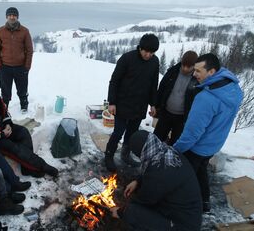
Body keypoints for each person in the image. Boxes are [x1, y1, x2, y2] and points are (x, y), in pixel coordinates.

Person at [172, 53, 243, 212]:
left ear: (211, 72)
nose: (194, 74)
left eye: (198, 71)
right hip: (214, 144)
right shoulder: (232, 88)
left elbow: (192, 133)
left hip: (198, 146)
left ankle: (184, 207)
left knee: (184, 176)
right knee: (201, 171)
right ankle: (205, 202)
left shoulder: (206, 98)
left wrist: (177, 149)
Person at [0, 68, 58, 177]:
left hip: (1, 128)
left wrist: (7, 123)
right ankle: (43, 166)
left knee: (23, 132)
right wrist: (0, 134)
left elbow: (3, 109)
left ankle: (27, 168)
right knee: (13, 147)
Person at [109, 130, 202, 231]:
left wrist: (120, 212)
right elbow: (153, 173)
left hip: (182, 226)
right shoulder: (167, 152)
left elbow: (144, 200)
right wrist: (138, 181)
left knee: (132, 212)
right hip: (187, 212)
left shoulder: (158, 172)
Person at [104, 33, 160, 172]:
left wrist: (153, 104)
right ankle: (109, 156)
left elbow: (154, 84)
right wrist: (112, 102)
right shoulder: (127, 58)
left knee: (132, 133)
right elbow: (114, 81)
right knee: (118, 132)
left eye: (151, 52)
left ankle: (125, 155)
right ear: (140, 48)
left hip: (140, 105)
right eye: (146, 51)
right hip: (123, 103)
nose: (148, 55)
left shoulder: (154, 61)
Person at [0, 7, 33, 112]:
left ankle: (24, 106)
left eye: (14, 15)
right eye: (10, 15)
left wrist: (27, 67)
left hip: (21, 67)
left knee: (22, 89)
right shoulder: (0, 31)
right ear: (6, 17)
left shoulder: (24, 31)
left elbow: (29, 50)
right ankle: (4, 108)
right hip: (5, 67)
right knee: (5, 91)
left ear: (17, 17)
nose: (12, 17)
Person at [154, 50, 199, 144]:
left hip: (182, 118)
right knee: (156, 139)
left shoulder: (197, 79)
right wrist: (156, 106)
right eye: (184, 65)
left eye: (189, 67)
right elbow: (161, 89)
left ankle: (168, 158)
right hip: (166, 113)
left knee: (175, 143)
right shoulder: (173, 72)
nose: (185, 69)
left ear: (194, 66)